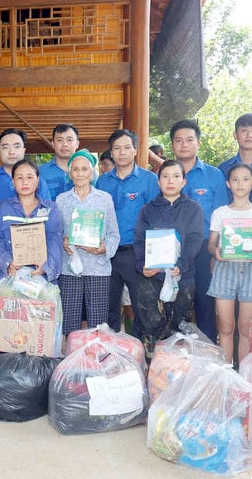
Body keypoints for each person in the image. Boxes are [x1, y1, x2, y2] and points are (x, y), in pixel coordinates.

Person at [206, 163, 252, 364]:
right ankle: (227, 372)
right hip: (224, 270)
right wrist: (216, 251)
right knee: (226, 327)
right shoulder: (220, 213)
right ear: (228, 184)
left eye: (245, 179)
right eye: (235, 179)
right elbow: (211, 244)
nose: (240, 183)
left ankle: (243, 373)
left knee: (245, 328)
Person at [95, 129, 159, 335]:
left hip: (137, 253)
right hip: (107, 254)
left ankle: (143, 350)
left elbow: (156, 218)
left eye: (126, 147)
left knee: (143, 308)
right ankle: (111, 350)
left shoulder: (149, 180)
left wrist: (153, 256)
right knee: (108, 310)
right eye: (117, 148)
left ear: (135, 150)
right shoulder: (102, 181)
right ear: (111, 152)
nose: (122, 152)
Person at [133, 160, 203, 347]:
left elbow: (195, 238)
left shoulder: (193, 208)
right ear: (158, 182)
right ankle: (151, 361)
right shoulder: (147, 210)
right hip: (152, 277)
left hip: (182, 276)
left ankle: (176, 363)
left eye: (176, 176)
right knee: (151, 325)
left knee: (179, 327)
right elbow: (139, 240)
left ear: (184, 181)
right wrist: (142, 265)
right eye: (165, 176)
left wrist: (182, 264)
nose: (170, 181)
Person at [171, 119, 227, 342]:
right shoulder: (164, 174)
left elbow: (221, 216)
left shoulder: (214, 175)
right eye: (178, 140)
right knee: (174, 305)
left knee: (205, 306)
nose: (184, 145)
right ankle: (174, 357)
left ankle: (209, 355)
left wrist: (214, 252)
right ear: (172, 145)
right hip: (173, 250)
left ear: (198, 143)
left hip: (204, 248)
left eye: (189, 140)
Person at [56, 149, 119, 334]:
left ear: (92, 173)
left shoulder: (104, 199)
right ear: (70, 174)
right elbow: (55, 233)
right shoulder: (61, 200)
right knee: (69, 324)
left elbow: (114, 234)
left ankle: (95, 353)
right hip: (69, 268)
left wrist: (104, 248)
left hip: (98, 268)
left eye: (85, 169)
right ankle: (72, 352)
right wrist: (63, 242)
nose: (80, 173)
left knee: (98, 325)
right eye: (75, 169)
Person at [0, 159, 63, 282]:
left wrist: (46, 268)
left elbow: (55, 242)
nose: (24, 182)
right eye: (20, 178)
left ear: (38, 181)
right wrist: (8, 263)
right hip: (11, 279)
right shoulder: (3, 208)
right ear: (13, 181)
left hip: (42, 281)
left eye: (29, 177)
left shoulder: (50, 209)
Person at [0, 128, 52, 207]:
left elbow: (47, 209)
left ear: (24, 151)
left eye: (17, 147)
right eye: (5, 147)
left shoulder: (37, 180)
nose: (11, 152)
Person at [39, 123, 80, 197]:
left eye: (69, 140)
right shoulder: (40, 172)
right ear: (53, 144)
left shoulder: (88, 172)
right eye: (60, 140)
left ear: (77, 144)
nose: (65, 144)